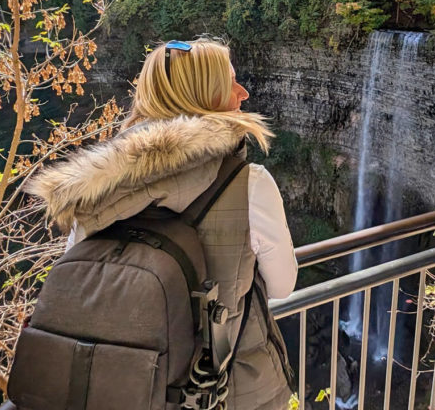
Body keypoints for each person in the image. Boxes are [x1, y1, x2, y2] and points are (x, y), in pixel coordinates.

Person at [25, 37, 297, 410]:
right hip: (222, 390)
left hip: (121, 387)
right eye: (231, 81)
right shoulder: (248, 183)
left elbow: (80, 278)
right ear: (206, 94)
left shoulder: (93, 191)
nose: (243, 92)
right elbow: (283, 284)